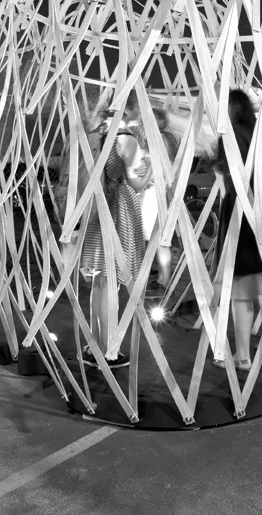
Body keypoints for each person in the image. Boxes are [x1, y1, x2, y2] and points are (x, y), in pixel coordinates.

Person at [77, 102, 153, 369]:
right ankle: (110, 350)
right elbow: (136, 183)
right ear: (131, 110)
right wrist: (153, 168)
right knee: (112, 283)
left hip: (98, 210)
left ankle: (94, 345)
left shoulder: (99, 134)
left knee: (99, 283)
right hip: (119, 210)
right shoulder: (126, 139)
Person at [213, 88, 262, 369]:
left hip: (241, 221)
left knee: (241, 292)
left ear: (232, 107)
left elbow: (231, 178)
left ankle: (242, 357)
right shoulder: (258, 139)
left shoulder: (231, 137)